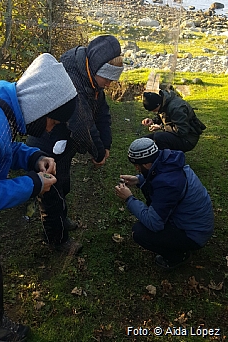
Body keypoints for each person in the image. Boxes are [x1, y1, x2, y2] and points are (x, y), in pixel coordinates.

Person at [0, 53, 77, 341]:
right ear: (40, 106)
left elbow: (3, 149)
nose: (49, 129)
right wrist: (34, 184)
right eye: (51, 122)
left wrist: (34, 157)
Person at [26, 35, 124, 251]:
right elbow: (83, 126)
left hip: (63, 142)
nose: (108, 85)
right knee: (51, 191)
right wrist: (98, 154)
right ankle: (57, 240)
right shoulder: (74, 83)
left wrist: (105, 143)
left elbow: (102, 114)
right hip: (47, 139)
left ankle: (62, 219)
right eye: (106, 79)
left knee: (64, 183)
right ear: (96, 68)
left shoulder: (92, 79)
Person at [115, 137, 214, 270]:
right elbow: (156, 174)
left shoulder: (168, 184)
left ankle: (177, 256)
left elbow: (154, 223)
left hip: (194, 234)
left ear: (146, 164)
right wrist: (138, 180)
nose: (137, 169)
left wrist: (129, 199)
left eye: (137, 166)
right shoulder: (168, 161)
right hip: (195, 224)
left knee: (139, 232)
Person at [141, 89, 206, 152]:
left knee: (159, 137)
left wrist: (161, 127)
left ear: (158, 104)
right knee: (145, 140)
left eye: (154, 110)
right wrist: (153, 121)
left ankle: (168, 158)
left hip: (188, 139)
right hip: (179, 134)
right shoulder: (164, 101)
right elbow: (163, 114)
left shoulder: (176, 109)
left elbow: (182, 131)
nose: (154, 112)